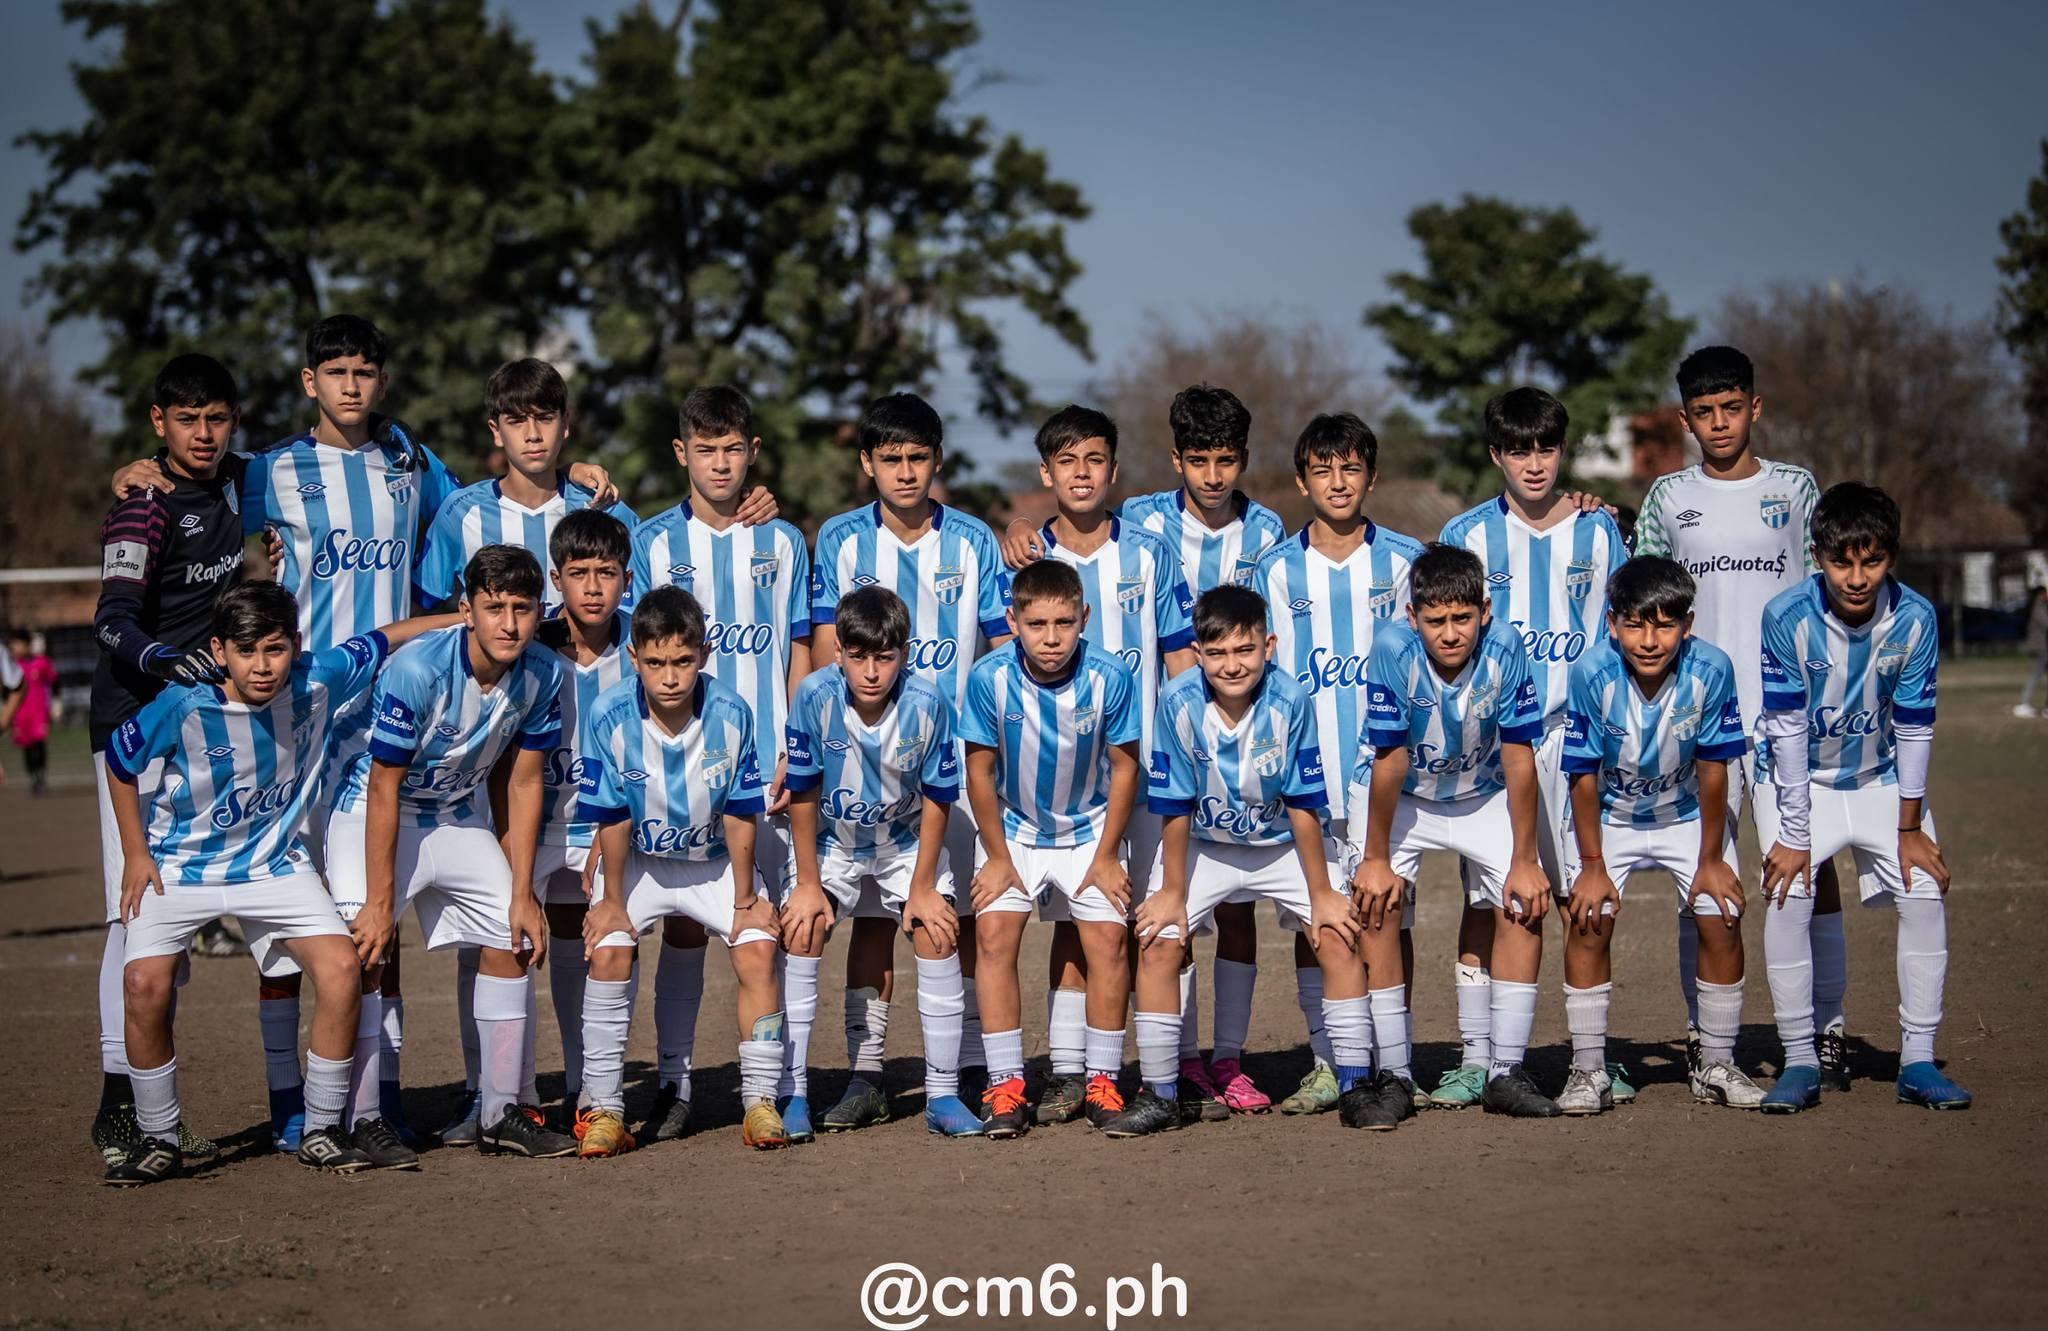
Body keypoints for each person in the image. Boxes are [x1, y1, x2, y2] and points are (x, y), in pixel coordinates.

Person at [99, 582, 455, 1184]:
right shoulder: (182, 703)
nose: (262, 666)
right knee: (142, 983)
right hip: (183, 866)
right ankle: (158, 1138)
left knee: (343, 970)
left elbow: (388, 637)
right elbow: (118, 760)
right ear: (219, 651)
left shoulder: (319, 678)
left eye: (275, 649)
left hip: (274, 863)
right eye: (246, 652)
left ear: (295, 645)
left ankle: (319, 1128)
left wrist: (464, 620)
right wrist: (136, 854)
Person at [1633, 346, 1849, 1089]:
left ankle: (1826, 1027)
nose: (1719, 423)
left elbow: (1827, 593)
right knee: (1704, 877)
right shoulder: (1667, 496)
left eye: (1732, 408)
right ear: (1686, 419)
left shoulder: (1795, 488)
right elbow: (1642, 593)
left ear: (1754, 408)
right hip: (1697, 717)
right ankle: (1706, 1033)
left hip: (1788, 710)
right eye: (1704, 412)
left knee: (1810, 866)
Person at [324, 545, 576, 1166]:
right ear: (466, 610)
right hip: (372, 810)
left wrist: (522, 892)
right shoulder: (417, 671)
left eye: (522, 608)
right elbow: (384, 785)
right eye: (494, 608)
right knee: (367, 951)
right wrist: (380, 904)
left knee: (511, 938)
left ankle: (498, 1111)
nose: (510, 624)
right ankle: (361, 1119)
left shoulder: (546, 672)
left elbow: (522, 781)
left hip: (457, 813)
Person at [1119, 585, 1395, 1136]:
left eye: (1243, 650)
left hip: (1281, 846)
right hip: (1203, 844)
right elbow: (1173, 804)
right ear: (1198, 653)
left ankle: (1356, 1082)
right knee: (1157, 940)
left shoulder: (1290, 701)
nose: (1231, 664)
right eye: (1216, 653)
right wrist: (1172, 892)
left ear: (1268, 646)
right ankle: (1161, 1092)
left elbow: (1301, 804)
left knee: (1338, 935)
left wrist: (1321, 895)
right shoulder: (1176, 701)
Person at [808, 392, 1010, 1131]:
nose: (904, 471)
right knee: (869, 921)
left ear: (937, 462)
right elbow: (826, 652)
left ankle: (963, 1070)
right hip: (864, 769)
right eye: (889, 459)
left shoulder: (975, 541)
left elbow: (999, 650)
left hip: (956, 768)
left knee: (954, 918)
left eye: (917, 458)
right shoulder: (837, 540)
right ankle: (865, 1075)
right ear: (867, 464)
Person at [627, 384, 812, 1141]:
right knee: (679, 925)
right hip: (680, 769)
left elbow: (800, 646)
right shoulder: (650, 543)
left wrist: (796, 750)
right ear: (681, 453)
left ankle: (784, 1085)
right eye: (706, 449)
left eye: (733, 448)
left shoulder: (784, 539)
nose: (721, 463)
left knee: (778, 925)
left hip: (766, 770)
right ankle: (673, 1081)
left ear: (753, 452)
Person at [1434, 387, 1628, 1109]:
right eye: (1519, 448)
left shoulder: (1601, 532)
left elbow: (1619, 633)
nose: (1534, 462)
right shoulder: (1467, 536)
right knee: (1491, 896)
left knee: (1588, 897)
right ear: (1496, 455)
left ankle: (1590, 1057)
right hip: (1498, 746)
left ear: (1562, 449)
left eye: (1546, 446)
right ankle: (1477, 1055)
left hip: (1576, 739)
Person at [1755, 483, 1970, 1113]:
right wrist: (1795, 833)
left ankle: (1919, 1060)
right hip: (1797, 784)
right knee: (1789, 892)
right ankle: (1799, 1061)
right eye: (1841, 560)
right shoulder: (1785, 617)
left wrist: (1909, 828)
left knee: (1924, 888)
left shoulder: (1917, 619)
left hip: (1878, 782)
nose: (1856, 577)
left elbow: (1915, 726)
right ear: (1817, 554)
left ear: (1891, 557)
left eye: (1871, 561)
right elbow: (1789, 734)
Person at [87, 352, 251, 1170]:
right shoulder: (142, 507)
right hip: (133, 728)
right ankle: (119, 1104)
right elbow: (110, 619)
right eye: (187, 419)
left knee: (174, 926)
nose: (204, 434)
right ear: (159, 423)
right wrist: (161, 660)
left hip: (195, 727)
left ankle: (148, 1101)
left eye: (216, 418)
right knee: (137, 912)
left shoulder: (239, 480)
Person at [1008, 405, 1195, 1125]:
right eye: (1066, 461)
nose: (1081, 473)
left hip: (1144, 776)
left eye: (1093, 460)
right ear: (1045, 473)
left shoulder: (1149, 552)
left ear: (1113, 471)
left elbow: (1179, 657)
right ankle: (1069, 1070)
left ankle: (1165, 1068)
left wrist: (1188, 743)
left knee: (1154, 921)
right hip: (1059, 784)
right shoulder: (1025, 556)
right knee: (1074, 924)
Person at [1248, 411, 1426, 1116]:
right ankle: (1330, 1060)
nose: (1338, 481)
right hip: (1309, 780)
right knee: (1317, 922)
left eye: (1351, 468)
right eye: (1323, 469)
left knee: (1390, 919)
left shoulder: (1408, 560)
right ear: (1301, 481)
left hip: (1387, 777)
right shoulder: (1272, 568)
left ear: (1371, 477)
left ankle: (1393, 1058)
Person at [574, 585, 791, 1154]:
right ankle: (603, 1109)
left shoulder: (731, 713)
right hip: (640, 862)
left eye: (682, 662)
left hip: (714, 862)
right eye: (655, 663)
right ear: (634, 658)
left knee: (758, 946)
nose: (669, 677)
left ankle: (761, 1102)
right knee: (610, 946)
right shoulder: (608, 714)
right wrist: (612, 900)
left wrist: (746, 898)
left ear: (704, 653)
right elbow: (614, 815)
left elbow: (744, 814)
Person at [1348, 544, 1559, 1118]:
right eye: (1434, 620)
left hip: (1482, 790)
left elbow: (1520, 755)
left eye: (1461, 618)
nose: (1449, 633)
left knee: (1522, 901)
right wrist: (1374, 857)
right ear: (1412, 616)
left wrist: (1524, 858)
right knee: (1376, 903)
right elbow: (1389, 760)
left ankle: (1505, 1070)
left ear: (1484, 612)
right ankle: (1393, 1073)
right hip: (1403, 794)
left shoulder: (1508, 647)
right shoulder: (1392, 648)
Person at [1558, 557, 1765, 1114]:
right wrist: (1593, 864)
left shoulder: (1712, 669)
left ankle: (1716, 1061)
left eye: (1665, 624)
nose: (1649, 640)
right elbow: (1580, 774)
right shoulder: (1590, 672)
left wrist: (1712, 859)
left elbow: (1715, 768)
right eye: (1635, 624)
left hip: (1686, 812)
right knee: (1588, 918)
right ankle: (1587, 1069)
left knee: (1721, 913)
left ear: (1688, 623)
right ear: (1611, 623)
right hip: (1608, 815)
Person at [780, 585, 983, 1139]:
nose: (871, 671)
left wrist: (922, 887)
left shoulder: (929, 702)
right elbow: (801, 791)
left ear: (905, 652)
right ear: (839, 652)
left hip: (904, 842)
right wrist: (805, 883)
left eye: (885, 656)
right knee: (801, 929)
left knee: (938, 931)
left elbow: (941, 797)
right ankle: (792, 1093)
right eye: (859, 656)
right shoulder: (813, 695)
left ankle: (941, 1094)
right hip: (832, 840)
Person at [959, 559, 1143, 1138]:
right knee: (992, 935)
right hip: (1013, 830)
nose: (1052, 637)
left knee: (1110, 940)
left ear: (1084, 618)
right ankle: (1007, 1084)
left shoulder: (1111, 677)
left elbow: (1124, 766)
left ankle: (1103, 1080)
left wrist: (1109, 854)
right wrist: (996, 856)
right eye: (1037, 624)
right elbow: (979, 773)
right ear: (1012, 620)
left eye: (1064, 623)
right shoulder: (987, 677)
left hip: (1090, 831)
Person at [532, 509, 636, 1130]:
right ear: (556, 578)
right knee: (506, 943)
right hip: (536, 824)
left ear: (627, 578)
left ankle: (592, 1089)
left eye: (607, 573)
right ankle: (505, 1094)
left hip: (611, 829)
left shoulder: (644, 649)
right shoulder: (531, 648)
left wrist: (609, 829)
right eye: (579, 573)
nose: (593, 586)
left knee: (603, 943)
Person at [414, 358, 640, 615]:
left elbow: (641, 605)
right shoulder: (460, 513)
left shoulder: (605, 508)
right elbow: (419, 606)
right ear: (496, 431)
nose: (533, 434)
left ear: (565, 423)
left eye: (545, 418)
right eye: (517, 421)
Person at [5, 629, 56, 795]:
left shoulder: (41, 663)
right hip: (20, 714)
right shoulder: (11, 666)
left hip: (39, 712)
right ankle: (33, 776)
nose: (14, 648)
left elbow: (54, 682)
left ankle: (41, 775)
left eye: (18, 644)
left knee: (39, 744)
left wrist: (56, 703)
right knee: (26, 746)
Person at [2016, 584, 2047, 717]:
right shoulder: (2038, 607)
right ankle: (2023, 703)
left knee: (2037, 675)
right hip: (2040, 647)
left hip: (2038, 647)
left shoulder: (2035, 606)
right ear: (2040, 594)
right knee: (2036, 676)